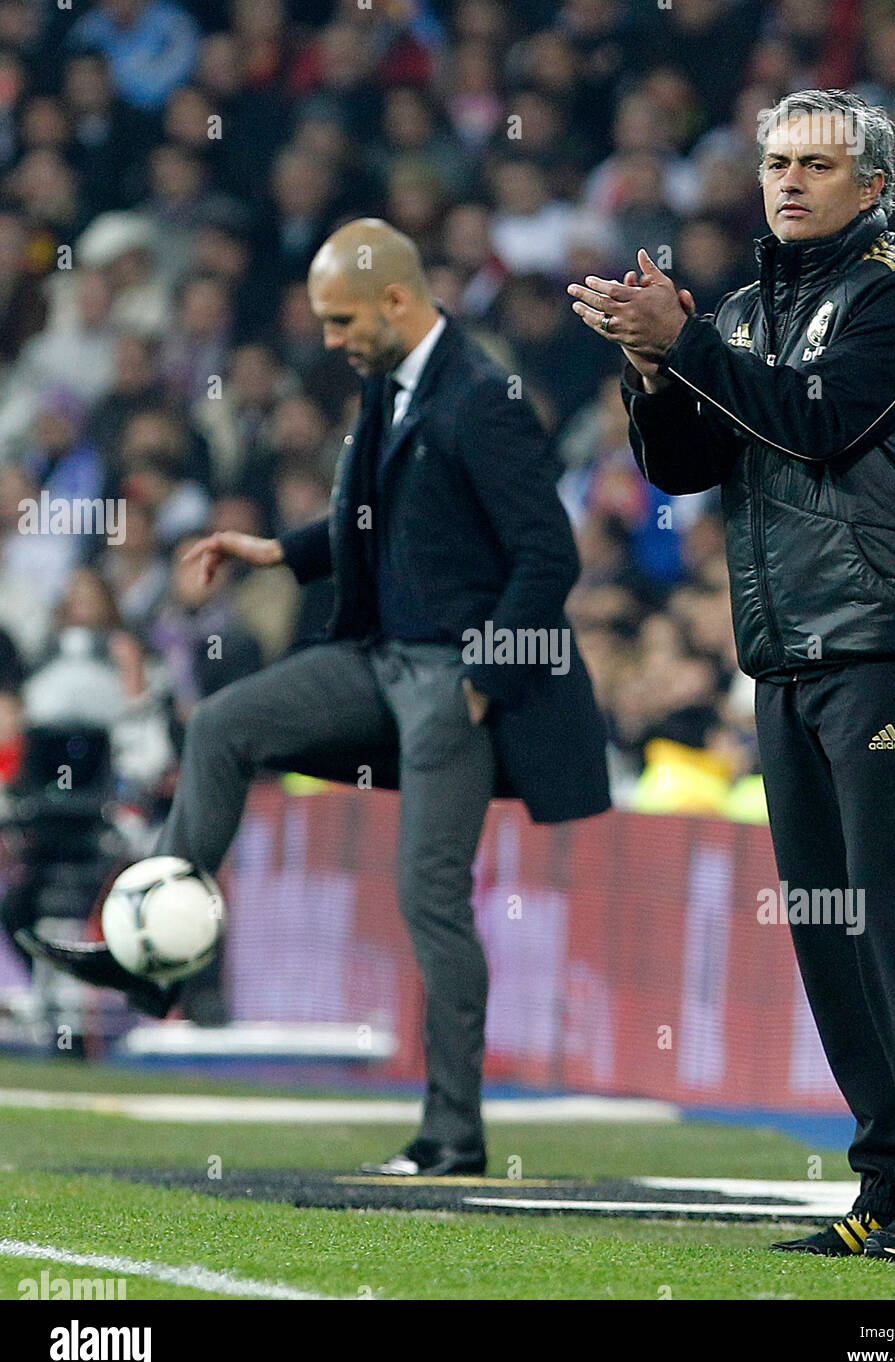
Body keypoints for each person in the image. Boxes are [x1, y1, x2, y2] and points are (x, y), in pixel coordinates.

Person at [34, 218, 610, 1178]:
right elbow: (384, 518)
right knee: (222, 724)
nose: (331, 339)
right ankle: (152, 958)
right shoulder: (395, 378)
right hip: (377, 657)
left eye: (342, 320)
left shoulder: (482, 396)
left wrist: (483, 680)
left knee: (429, 896)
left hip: (451, 679)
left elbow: (549, 556)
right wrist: (280, 551)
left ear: (395, 299)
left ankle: (453, 1133)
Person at [568, 89, 895, 1264]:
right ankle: (887, 1174)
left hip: (884, 638)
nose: (789, 181)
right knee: (829, 924)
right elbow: (689, 462)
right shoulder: (751, 306)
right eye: (775, 160)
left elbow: (818, 425)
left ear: (872, 185)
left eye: (817, 164)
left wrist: (690, 343)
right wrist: (651, 367)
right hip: (782, 645)